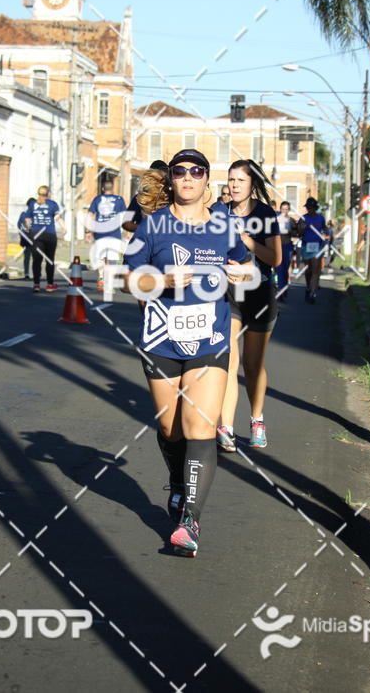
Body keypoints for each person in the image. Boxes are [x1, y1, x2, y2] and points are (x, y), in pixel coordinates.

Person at [122, 149, 249, 556]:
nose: (188, 177)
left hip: (211, 339)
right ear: (172, 180)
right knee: (170, 429)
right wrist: (160, 280)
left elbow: (246, 266)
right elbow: (128, 281)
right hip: (161, 339)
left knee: (200, 427)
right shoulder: (152, 226)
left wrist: (240, 274)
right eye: (181, 171)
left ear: (206, 181)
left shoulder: (223, 224)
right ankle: (178, 482)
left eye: (197, 171)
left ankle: (189, 521)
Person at [212, 159, 281, 452]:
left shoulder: (266, 214)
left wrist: (246, 240)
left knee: (253, 364)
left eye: (240, 180)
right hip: (229, 292)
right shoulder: (218, 212)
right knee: (229, 359)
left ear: (252, 184)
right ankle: (225, 426)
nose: (234, 185)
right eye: (231, 180)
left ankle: (256, 419)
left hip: (260, 292)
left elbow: (275, 259)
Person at [24, 186, 66, 291]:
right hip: (49, 234)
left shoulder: (33, 204)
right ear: (48, 194)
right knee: (49, 260)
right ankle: (50, 285)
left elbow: (27, 219)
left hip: (36, 235)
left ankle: (36, 285)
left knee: (36, 260)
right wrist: (63, 227)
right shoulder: (52, 204)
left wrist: (29, 228)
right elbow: (57, 217)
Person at [87, 180, 127, 291]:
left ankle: (101, 278)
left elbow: (90, 215)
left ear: (103, 189)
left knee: (101, 257)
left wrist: (87, 231)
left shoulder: (97, 199)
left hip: (100, 233)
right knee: (112, 259)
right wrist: (127, 231)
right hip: (114, 233)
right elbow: (125, 217)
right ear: (112, 189)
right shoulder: (119, 200)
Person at [122, 160, 169, 234]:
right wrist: (144, 228)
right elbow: (125, 223)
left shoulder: (172, 198)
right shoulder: (139, 199)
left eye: (165, 175)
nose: (163, 179)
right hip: (145, 242)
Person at [298, 197, 328, 304]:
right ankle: (308, 287)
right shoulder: (303, 218)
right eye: (308, 208)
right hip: (306, 245)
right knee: (308, 270)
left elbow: (325, 228)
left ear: (315, 208)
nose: (309, 210)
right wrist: (301, 228)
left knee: (315, 270)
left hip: (317, 246)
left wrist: (325, 234)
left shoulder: (321, 218)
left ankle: (313, 292)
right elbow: (299, 234)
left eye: (311, 208)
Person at [275, 201, 298, 300]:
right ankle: (281, 291)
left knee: (285, 269)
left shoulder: (291, 220)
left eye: (286, 209)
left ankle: (284, 289)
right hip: (277, 246)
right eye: (283, 209)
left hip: (287, 245)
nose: (284, 211)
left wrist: (292, 231)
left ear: (289, 210)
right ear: (280, 210)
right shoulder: (275, 220)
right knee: (279, 269)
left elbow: (296, 233)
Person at [17, 197, 35, 279]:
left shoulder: (24, 214)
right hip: (29, 238)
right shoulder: (26, 215)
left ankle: (27, 273)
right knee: (31, 256)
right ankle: (29, 273)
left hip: (29, 238)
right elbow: (19, 226)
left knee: (28, 257)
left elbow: (19, 226)